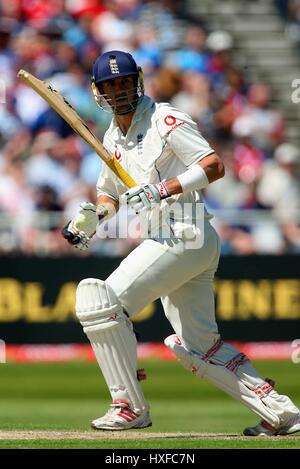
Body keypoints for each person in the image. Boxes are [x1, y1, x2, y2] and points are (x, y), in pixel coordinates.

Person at [62, 50, 300, 436]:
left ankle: (128, 405)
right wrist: (91, 219)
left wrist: (161, 189)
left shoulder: (165, 119)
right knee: (197, 346)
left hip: (184, 231)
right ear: (99, 91)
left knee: (100, 300)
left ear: (137, 80)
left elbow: (213, 165)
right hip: (171, 239)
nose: (119, 91)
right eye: (111, 85)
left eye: (124, 82)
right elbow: (111, 196)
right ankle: (283, 414)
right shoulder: (111, 136)